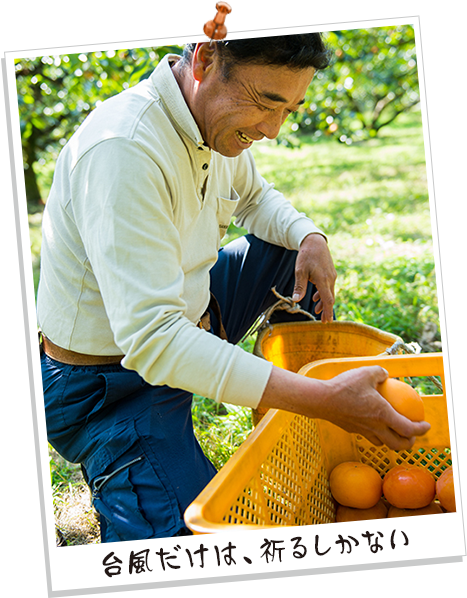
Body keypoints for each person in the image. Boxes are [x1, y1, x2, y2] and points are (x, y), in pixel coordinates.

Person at [37, 34, 430, 542]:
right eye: (266, 102)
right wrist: (321, 399)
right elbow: (154, 340)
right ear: (204, 60)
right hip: (111, 386)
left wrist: (310, 235)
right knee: (189, 548)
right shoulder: (125, 149)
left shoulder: (215, 127)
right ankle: (125, 458)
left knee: (293, 252)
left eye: (290, 109)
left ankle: (280, 396)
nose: (272, 129)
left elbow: (256, 199)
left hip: (194, 316)